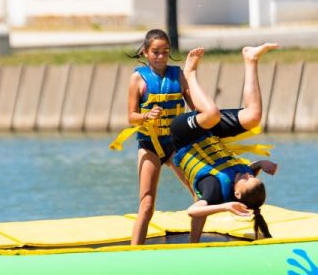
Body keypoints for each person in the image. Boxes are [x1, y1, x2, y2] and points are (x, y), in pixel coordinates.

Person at [169, 43, 279, 242]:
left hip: (182, 136)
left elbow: (194, 211)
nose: (248, 173)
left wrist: (225, 207)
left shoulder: (215, 190)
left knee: (211, 114)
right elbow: (249, 171)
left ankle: (190, 73)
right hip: (209, 133)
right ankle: (250, 59)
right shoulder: (242, 176)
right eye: (252, 175)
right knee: (253, 117)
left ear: (236, 193)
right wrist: (261, 164)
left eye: (248, 177)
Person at [109, 29, 195, 245]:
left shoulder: (180, 76)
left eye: (165, 52)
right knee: (147, 204)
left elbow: (196, 110)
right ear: (146, 52)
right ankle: (134, 253)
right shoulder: (137, 78)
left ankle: (196, 244)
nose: (161, 56)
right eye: (155, 52)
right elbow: (131, 117)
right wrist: (146, 115)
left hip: (176, 144)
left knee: (200, 193)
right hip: (149, 145)